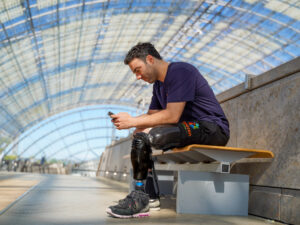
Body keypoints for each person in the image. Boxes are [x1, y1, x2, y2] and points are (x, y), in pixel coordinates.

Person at [106, 42, 230, 218]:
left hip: (211, 128)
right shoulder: (158, 86)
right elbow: (152, 116)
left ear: (150, 59)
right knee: (141, 136)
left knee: (148, 136)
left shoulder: (180, 72)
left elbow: (171, 115)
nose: (137, 77)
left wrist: (133, 121)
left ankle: (140, 200)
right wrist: (133, 123)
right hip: (188, 129)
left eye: (138, 70)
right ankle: (148, 197)